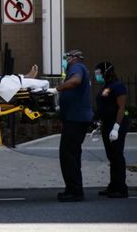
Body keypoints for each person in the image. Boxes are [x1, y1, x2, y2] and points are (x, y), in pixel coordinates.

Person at [55, 50, 94, 202]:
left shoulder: (76, 67)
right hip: (75, 119)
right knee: (72, 155)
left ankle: (75, 191)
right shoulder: (79, 68)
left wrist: (58, 88)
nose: (64, 61)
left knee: (68, 155)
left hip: (75, 120)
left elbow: (76, 81)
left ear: (73, 58)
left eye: (66, 58)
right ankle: (73, 189)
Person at [94, 61, 129, 198]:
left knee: (117, 155)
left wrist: (116, 128)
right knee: (111, 156)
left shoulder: (118, 86)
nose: (97, 75)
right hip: (107, 124)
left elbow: (121, 108)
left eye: (99, 73)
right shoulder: (106, 86)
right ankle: (113, 186)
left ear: (107, 72)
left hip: (116, 125)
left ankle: (121, 188)